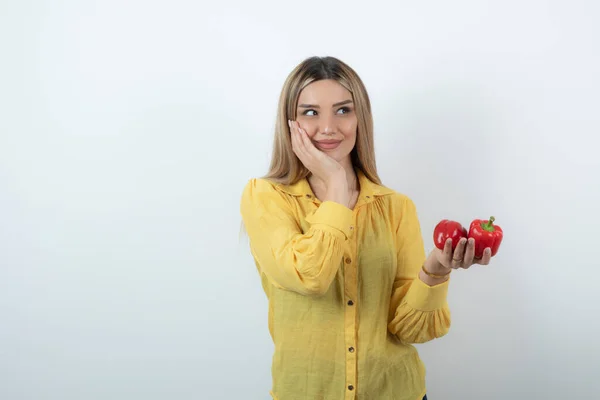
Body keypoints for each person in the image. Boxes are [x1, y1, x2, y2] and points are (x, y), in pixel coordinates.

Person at [239, 56, 494, 400]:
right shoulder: (265, 197)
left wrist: (435, 270)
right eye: (310, 112)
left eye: (343, 110)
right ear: (290, 123)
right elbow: (309, 276)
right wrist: (335, 183)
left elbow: (408, 329)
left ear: (361, 119)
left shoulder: (395, 206)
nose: (328, 127)